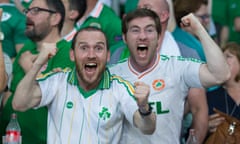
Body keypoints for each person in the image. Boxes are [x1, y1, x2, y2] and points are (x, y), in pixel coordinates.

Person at [12, 26, 156, 143]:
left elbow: (147, 128)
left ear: (108, 56)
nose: (91, 54)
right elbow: (19, 103)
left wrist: (144, 107)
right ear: (72, 55)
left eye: (98, 48)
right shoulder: (57, 80)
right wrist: (38, 63)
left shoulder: (120, 87)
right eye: (84, 48)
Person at [109, 8, 230, 144]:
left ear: (159, 37)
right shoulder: (111, 75)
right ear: (125, 38)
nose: (142, 36)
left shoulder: (177, 67)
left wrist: (199, 29)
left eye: (149, 30)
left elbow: (221, 75)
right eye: (135, 30)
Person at [0, 0, 74, 143]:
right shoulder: (27, 48)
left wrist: (29, 67)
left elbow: (54, 95)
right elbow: (10, 92)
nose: (28, 16)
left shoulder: (67, 52)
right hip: (10, 137)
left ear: (55, 18)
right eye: (27, 11)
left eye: (36, 11)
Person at [206, 42, 240, 140]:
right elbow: (191, 136)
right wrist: (205, 127)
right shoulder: (209, 97)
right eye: (220, 57)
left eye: (228, 56)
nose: (222, 61)